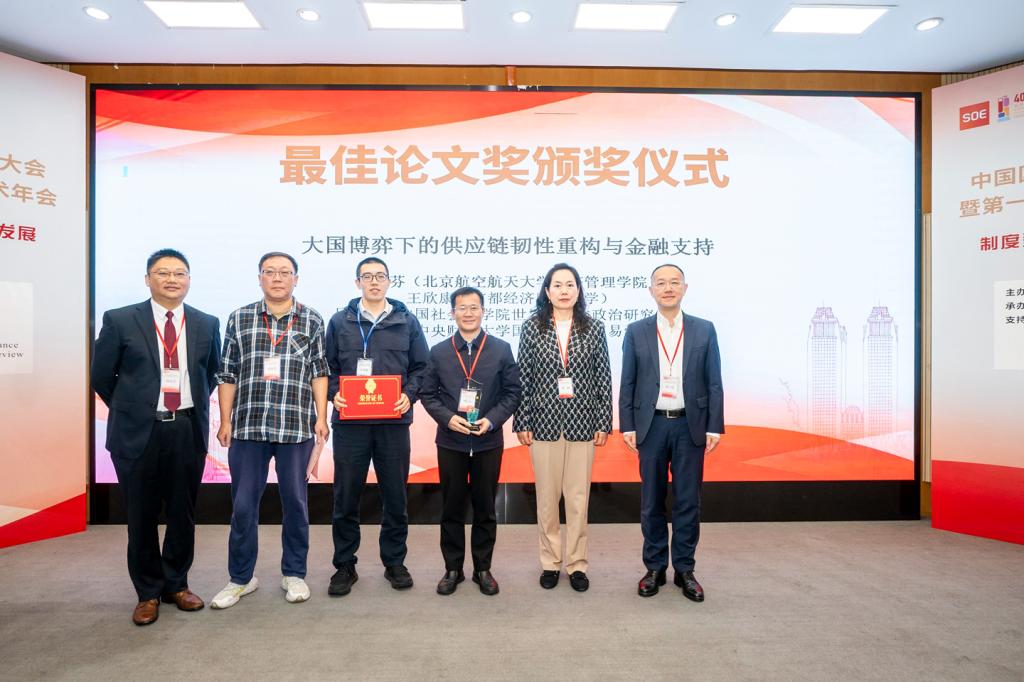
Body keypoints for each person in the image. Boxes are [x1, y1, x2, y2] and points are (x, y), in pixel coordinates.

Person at [92, 248, 221, 625]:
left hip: (185, 429)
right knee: (141, 514)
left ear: (189, 280)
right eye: (163, 273)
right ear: (148, 279)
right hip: (137, 431)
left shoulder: (206, 322)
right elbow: (102, 376)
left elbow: (210, 373)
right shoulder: (120, 319)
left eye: (179, 273)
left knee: (183, 512)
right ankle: (147, 592)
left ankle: (177, 584)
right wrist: (134, 408)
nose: (171, 279)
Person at [210, 252, 330, 609]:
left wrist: (321, 417)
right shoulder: (240, 317)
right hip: (249, 426)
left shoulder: (312, 319)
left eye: (285, 272)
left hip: (296, 426)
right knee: (244, 505)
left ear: (296, 278)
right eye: (270, 272)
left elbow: (319, 371)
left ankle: (294, 573)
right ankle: (240, 578)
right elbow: (228, 372)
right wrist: (226, 420)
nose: (277, 278)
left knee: (296, 503)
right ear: (259, 277)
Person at [619, 264, 724, 602]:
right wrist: (628, 424)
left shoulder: (704, 329)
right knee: (651, 501)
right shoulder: (636, 331)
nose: (668, 288)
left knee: (688, 501)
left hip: (689, 425)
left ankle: (684, 569)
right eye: (661, 283)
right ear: (650, 290)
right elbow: (628, 382)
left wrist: (714, 425)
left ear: (685, 288)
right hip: (651, 425)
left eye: (674, 282)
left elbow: (714, 381)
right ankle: (654, 568)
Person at [326, 257, 429, 595]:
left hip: (392, 423)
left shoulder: (406, 321)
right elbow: (325, 367)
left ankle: (395, 562)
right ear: (357, 282)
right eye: (367, 276)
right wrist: (333, 393)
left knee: (395, 496)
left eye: (380, 276)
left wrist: (408, 395)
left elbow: (422, 367)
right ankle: (344, 564)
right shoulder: (340, 322)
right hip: (350, 424)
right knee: (346, 497)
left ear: (389, 281)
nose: (374, 281)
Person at [513, 263, 612, 592]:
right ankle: (550, 562)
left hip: (583, 422)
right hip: (543, 423)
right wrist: (522, 420)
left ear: (578, 290)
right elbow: (523, 376)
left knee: (578, 499)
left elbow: (603, 376)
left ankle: (577, 563)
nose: (564, 290)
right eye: (557, 285)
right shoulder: (532, 327)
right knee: (546, 499)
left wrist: (604, 421)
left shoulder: (594, 327)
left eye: (570, 284)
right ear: (547, 291)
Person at [419, 287, 522, 596]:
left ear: (483, 311)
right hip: (451, 440)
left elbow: (513, 392)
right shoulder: (439, 351)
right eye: (462, 308)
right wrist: (448, 418)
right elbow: (428, 394)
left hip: (487, 441)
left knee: (485, 508)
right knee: (451, 507)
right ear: (452, 313)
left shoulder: (500, 349)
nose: (468, 313)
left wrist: (491, 420)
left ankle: (482, 568)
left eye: (474, 307)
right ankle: (453, 568)